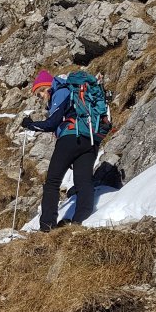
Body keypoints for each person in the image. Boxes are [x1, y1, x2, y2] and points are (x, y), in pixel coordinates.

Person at [21, 70, 100, 232]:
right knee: (83, 181)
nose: (40, 97)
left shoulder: (60, 91)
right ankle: (80, 221)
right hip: (90, 138)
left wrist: (30, 125)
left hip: (70, 137)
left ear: (46, 87)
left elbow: (52, 123)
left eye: (39, 93)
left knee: (52, 182)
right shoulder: (73, 93)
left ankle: (47, 226)